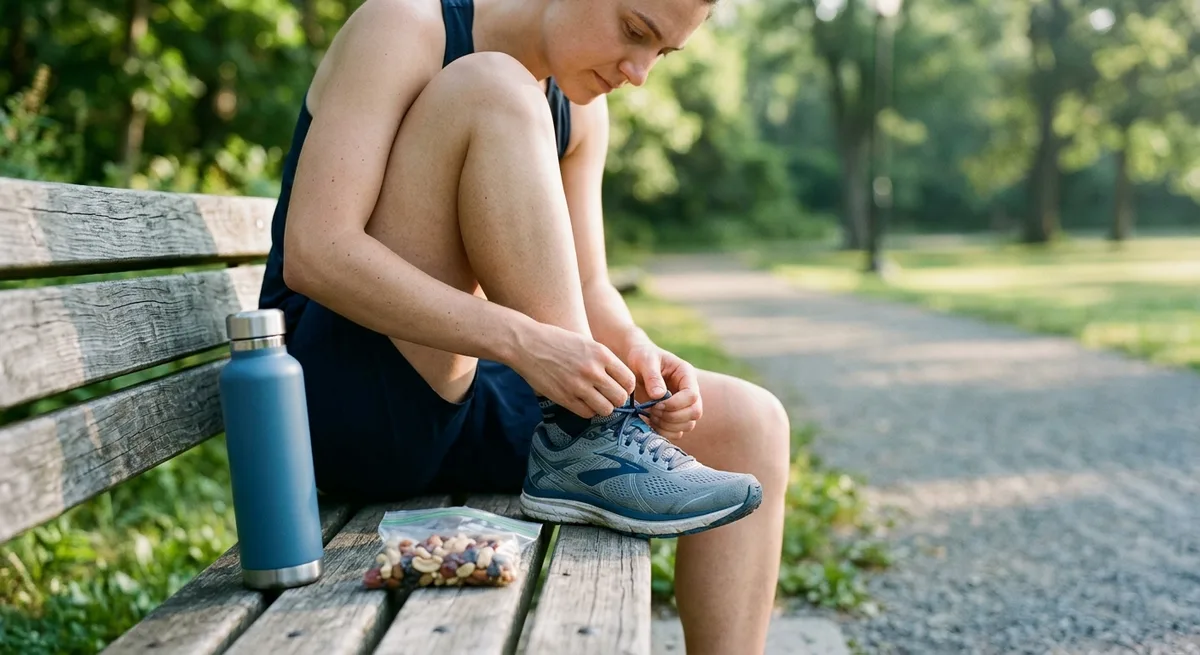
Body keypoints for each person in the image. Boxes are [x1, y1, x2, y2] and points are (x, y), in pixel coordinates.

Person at [257, 0, 791, 651]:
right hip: (350, 396)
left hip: (470, 388)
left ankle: (585, 431)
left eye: (663, 53)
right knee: (494, 83)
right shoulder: (407, 25)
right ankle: (586, 430)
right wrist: (524, 341)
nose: (641, 71)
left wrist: (639, 353)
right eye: (634, 32)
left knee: (751, 421)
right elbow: (317, 250)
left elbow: (590, 288)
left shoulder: (581, 109)